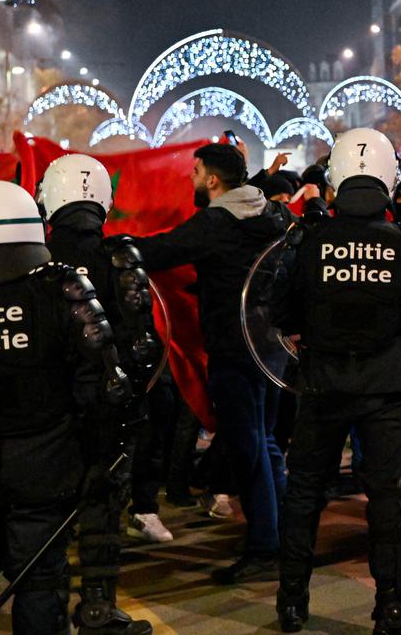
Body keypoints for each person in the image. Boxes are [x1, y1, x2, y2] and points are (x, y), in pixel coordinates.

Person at [274, 128, 401, 634]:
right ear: (390, 181)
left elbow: (278, 309)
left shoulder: (306, 237)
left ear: (335, 181)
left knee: (305, 493)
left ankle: (292, 604)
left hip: (322, 384)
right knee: (388, 499)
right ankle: (392, 608)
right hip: (386, 390)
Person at [136, 142, 289, 584]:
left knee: (250, 449)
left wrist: (115, 243)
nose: (192, 178)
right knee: (268, 443)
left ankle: (265, 548)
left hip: (234, 348)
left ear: (213, 180)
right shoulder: (273, 215)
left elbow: (160, 251)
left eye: (196, 170)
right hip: (272, 349)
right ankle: (283, 534)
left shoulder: (217, 222)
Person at [0, 181, 132, 634]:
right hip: (44, 462)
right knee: (39, 581)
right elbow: (104, 385)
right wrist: (100, 458)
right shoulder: (62, 287)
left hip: (28, 457)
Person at [38, 155, 164, 635]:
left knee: (38, 512)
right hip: (104, 410)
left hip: (41, 410)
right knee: (103, 507)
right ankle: (96, 606)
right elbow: (145, 346)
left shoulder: (31, 259)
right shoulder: (120, 259)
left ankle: (42, 609)